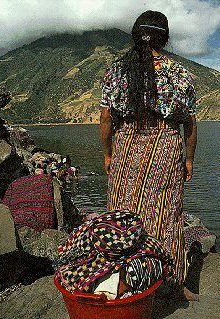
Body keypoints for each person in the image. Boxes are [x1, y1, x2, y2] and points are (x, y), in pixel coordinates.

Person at [100, 10, 198, 300]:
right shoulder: (179, 73)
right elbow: (190, 124)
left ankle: (123, 282)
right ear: (164, 38)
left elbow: (106, 120)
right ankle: (170, 283)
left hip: (127, 144)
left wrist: (107, 154)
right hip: (166, 145)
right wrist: (189, 160)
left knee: (122, 212)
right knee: (166, 212)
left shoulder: (116, 71)